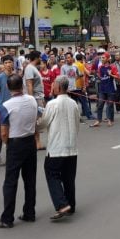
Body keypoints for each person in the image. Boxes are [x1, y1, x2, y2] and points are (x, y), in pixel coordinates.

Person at [0, 74, 39, 228]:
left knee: (10, 182)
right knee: (30, 180)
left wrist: (7, 144)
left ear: (8, 87)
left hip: (15, 144)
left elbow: (3, 132)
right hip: (30, 141)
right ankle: (29, 212)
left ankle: (7, 218)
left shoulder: (6, 106)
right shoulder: (32, 100)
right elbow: (36, 119)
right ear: (22, 85)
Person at [38, 75, 80, 220]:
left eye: (54, 85)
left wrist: (34, 124)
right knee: (69, 177)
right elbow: (77, 124)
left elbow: (43, 123)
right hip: (71, 146)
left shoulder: (52, 104)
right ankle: (71, 205)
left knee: (52, 173)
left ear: (59, 87)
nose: (52, 87)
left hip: (57, 147)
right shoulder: (73, 103)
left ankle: (62, 204)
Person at [91, 53, 119, 128]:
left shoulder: (112, 67)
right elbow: (100, 76)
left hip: (110, 89)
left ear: (107, 58)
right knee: (100, 105)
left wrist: (111, 75)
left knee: (109, 105)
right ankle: (98, 120)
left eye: (103, 58)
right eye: (101, 58)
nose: (101, 59)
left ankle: (110, 119)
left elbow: (118, 77)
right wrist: (97, 76)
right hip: (102, 89)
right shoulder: (100, 67)